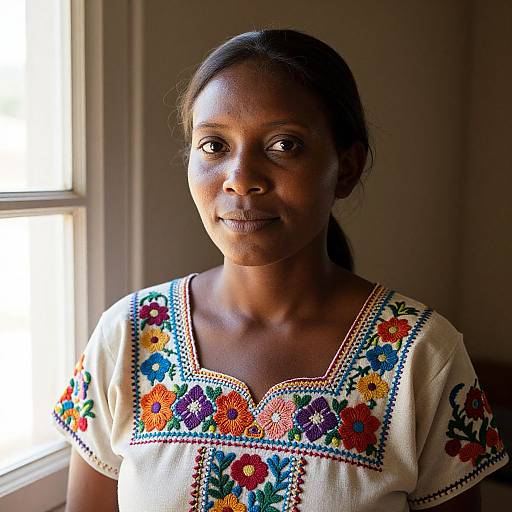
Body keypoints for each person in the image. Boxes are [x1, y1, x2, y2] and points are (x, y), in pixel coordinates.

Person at [52, 29, 509, 512]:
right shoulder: (129, 335)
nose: (241, 178)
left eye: (284, 144)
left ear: (347, 168)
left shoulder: (420, 356)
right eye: (213, 146)